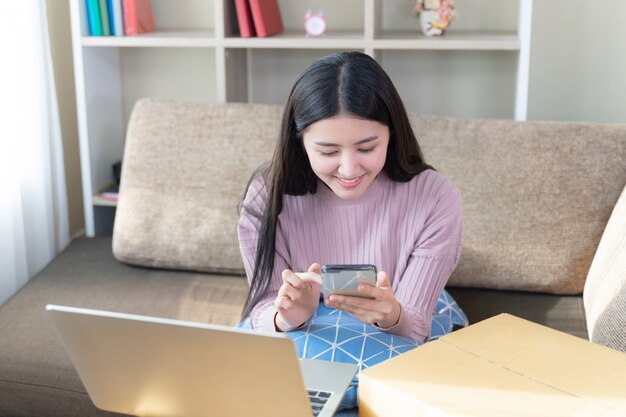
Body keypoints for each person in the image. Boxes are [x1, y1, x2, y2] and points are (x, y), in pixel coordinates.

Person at [237, 51, 463, 343]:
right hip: (300, 338)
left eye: (367, 148)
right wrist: (288, 315)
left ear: (392, 134)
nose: (349, 169)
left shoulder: (435, 198)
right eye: (328, 152)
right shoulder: (266, 196)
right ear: (299, 143)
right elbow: (263, 308)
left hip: (396, 341)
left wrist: (391, 315)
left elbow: (416, 326)